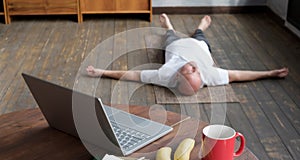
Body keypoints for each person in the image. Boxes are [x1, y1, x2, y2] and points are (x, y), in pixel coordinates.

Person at [86, 13, 289, 96]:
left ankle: (169, 27)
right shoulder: (210, 75)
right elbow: (237, 75)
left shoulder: (165, 75)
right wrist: (269, 73)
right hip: (199, 45)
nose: (194, 67)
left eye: (190, 70)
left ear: (177, 75)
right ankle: (200, 27)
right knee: (200, 36)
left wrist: (101, 72)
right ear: (201, 79)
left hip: (175, 46)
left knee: (169, 38)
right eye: (195, 71)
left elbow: (132, 75)